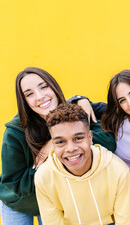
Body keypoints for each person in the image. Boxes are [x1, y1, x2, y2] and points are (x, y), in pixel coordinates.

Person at [0, 67, 116, 225]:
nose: (40, 97)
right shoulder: (15, 133)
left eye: (43, 86)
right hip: (20, 202)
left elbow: (108, 141)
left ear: (53, 87)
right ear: (24, 101)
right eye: (29, 94)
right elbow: (16, 184)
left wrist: (55, 144)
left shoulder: (72, 114)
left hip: (57, 202)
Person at [71, 69, 130, 224]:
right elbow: (69, 107)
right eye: (122, 100)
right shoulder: (113, 119)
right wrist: (79, 99)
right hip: (112, 197)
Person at [35, 103, 130, 225]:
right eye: (60, 142)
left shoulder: (118, 170)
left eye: (78, 138)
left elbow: (124, 221)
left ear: (90, 138)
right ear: (53, 145)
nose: (70, 148)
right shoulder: (44, 177)